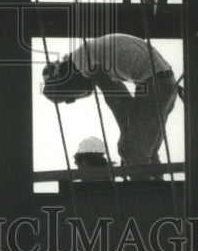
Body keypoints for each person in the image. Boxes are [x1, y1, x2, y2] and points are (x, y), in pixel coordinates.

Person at [42, 33, 178, 176]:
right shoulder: (92, 53)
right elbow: (125, 100)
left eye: (72, 92)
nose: (80, 93)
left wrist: (125, 133)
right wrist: (128, 132)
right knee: (148, 152)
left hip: (155, 83)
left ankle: (141, 197)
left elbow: (115, 97)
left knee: (133, 153)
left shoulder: (81, 59)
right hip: (165, 82)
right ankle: (158, 192)